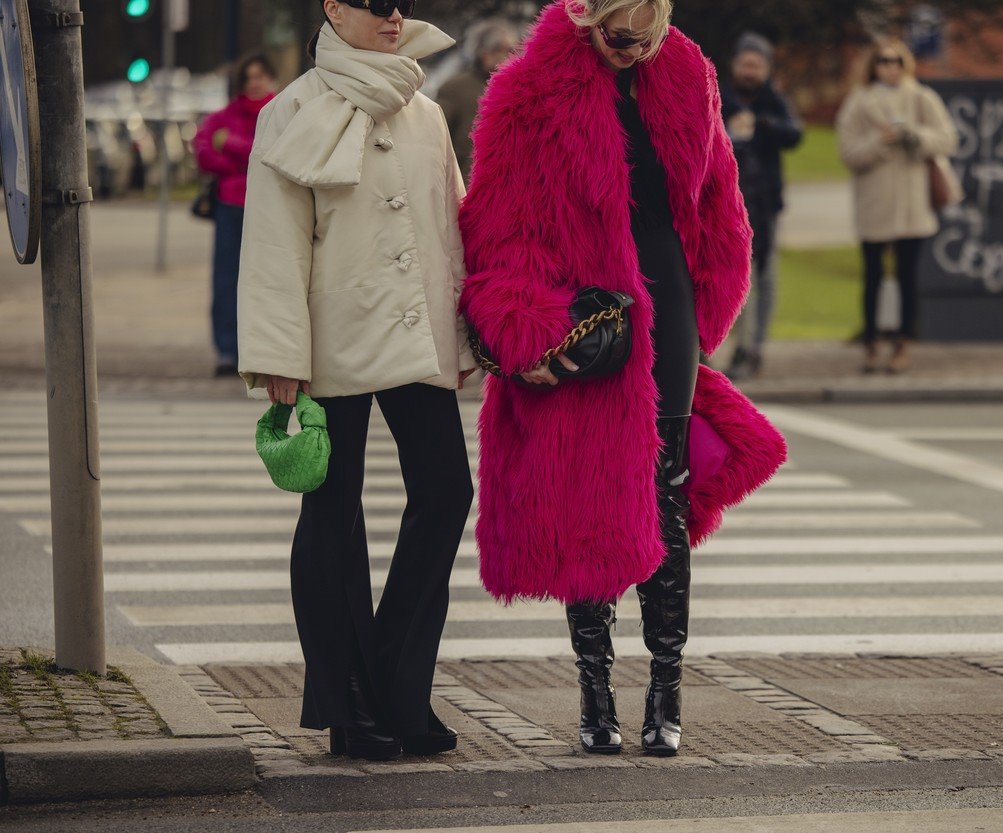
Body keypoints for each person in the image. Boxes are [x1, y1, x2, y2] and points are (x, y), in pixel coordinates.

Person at [460, 0, 787, 758]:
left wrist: (706, 311)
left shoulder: (688, 73)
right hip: (587, 317)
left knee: (663, 490)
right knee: (590, 491)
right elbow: (497, 229)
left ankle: (666, 689)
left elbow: (718, 207)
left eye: (649, 35)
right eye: (619, 35)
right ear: (585, 16)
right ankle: (595, 690)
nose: (635, 50)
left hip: (666, 303)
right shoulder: (525, 93)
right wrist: (528, 326)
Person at [236, 0, 479, 762]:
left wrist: (474, 332)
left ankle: (396, 692)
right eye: (376, 4)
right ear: (334, 7)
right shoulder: (291, 111)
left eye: (402, 4)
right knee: (333, 516)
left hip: (416, 332)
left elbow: (454, 225)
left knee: (446, 492)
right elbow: (274, 243)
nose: (394, 16)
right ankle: (347, 705)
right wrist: (279, 354)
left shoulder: (427, 114)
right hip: (329, 338)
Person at [838, 37, 956, 374]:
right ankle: (871, 342)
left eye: (896, 61)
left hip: (912, 203)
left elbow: (947, 138)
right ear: (873, 66)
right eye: (883, 61)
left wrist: (913, 136)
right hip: (874, 202)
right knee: (872, 276)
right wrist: (881, 142)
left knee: (908, 277)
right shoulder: (859, 102)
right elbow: (848, 152)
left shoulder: (920, 97)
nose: (890, 67)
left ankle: (903, 342)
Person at [721, 32, 803, 381]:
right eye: (746, 63)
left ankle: (756, 346)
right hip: (728, 202)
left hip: (766, 202)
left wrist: (764, 125)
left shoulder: (774, 101)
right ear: (735, 65)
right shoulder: (720, 98)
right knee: (739, 278)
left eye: (757, 65)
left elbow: (794, 134)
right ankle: (738, 345)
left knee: (766, 277)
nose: (751, 71)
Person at [194, 53, 277, 378]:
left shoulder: (282, 112)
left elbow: (274, 155)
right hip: (231, 207)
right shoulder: (222, 116)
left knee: (270, 281)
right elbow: (204, 154)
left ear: (269, 78)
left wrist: (230, 145)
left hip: (270, 208)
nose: (254, 83)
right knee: (227, 281)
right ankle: (228, 350)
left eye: (259, 76)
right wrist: (247, 158)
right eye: (248, 78)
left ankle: (267, 351)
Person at [436, 19, 517, 184]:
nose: (508, 57)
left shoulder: (517, 90)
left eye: (511, 50)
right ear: (483, 53)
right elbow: (434, 141)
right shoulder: (456, 88)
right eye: (499, 50)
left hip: (506, 188)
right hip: (463, 187)